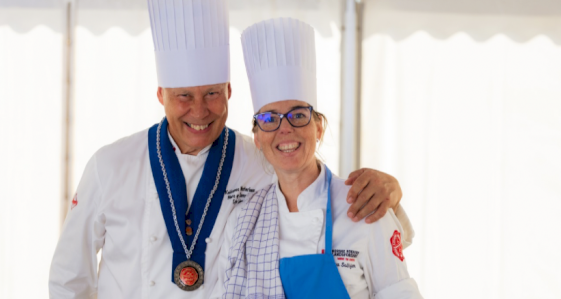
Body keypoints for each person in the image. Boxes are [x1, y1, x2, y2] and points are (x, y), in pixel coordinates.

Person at [48, 1, 414, 298]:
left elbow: (320, 194)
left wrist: (391, 194)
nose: (199, 110)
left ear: (229, 92)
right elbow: (68, 280)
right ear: (161, 95)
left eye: (211, 93)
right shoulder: (110, 165)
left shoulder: (260, 157)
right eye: (183, 97)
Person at [218, 18, 423, 299]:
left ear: (318, 128)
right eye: (269, 119)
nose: (285, 128)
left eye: (298, 115)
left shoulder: (365, 206)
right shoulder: (242, 224)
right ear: (258, 138)